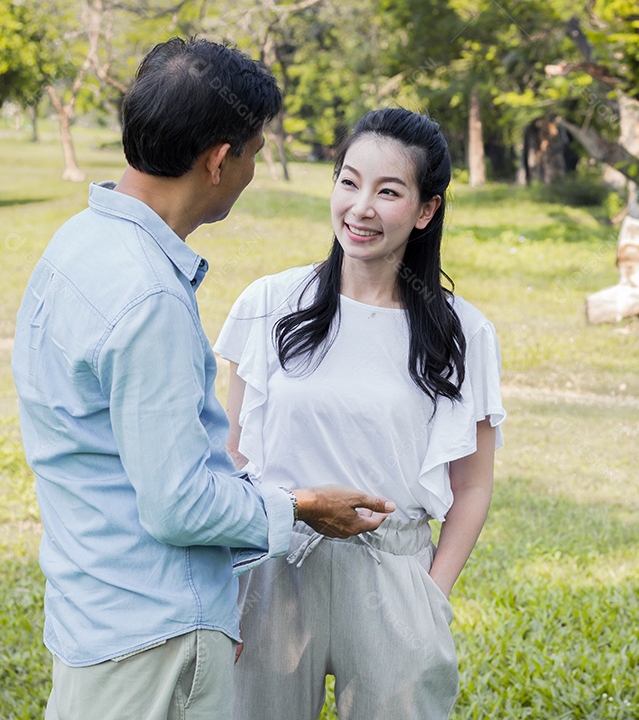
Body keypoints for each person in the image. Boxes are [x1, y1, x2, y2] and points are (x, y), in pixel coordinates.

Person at [11, 37, 394, 720]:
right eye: (252, 152)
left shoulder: (76, 244)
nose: (250, 170)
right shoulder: (148, 298)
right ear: (219, 159)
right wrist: (303, 506)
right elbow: (178, 505)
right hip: (151, 638)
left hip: (92, 613)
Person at [215, 107, 505, 719]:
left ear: (426, 210)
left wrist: (432, 595)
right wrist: (228, 586)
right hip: (273, 565)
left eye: (389, 191)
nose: (361, 207)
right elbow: (232, 454)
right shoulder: (268, 304)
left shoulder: (464, 334)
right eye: (349, 181)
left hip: (394, 570)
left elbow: (472, 484)